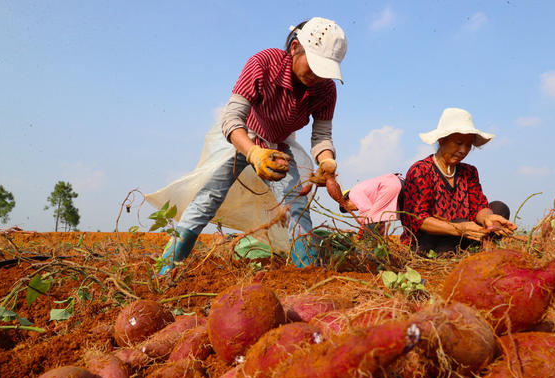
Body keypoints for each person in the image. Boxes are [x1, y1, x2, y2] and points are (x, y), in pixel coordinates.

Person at [157, 17, 348, 274]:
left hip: (279, 145)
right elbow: (232, 118)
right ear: (294, 48)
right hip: (242, 137)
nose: (318, 75)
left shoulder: (325, 90)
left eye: (325, 69)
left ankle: (307, 274)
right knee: (208, 199)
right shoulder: (263, 63)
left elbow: (322, 135)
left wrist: (326, 161)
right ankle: (166, 270)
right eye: (314, 64)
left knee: (296, 206)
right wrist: (254, 152)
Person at [400, 107, 516, 254]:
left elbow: (479, 206)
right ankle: (458, 251)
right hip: (427, 242)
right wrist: (458, 228)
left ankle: (481, 247)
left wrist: (488, 218)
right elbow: (418, 218)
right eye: (459, 143)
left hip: (463, 234)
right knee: (458, 224)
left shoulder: (469, 172)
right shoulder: (421, 170)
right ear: (442, 140)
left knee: (499, 208)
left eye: (468, 145)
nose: (463, 150)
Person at [338, 173, 404, 236]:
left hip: (389, 186)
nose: (354, 210)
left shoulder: (353, 194)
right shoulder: (362, 191)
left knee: (370, 219)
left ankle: (370, 246)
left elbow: (366, 213)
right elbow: (379, 219)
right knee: (406, 217)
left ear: (347, 201)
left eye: (350, 209)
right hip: (401, 182)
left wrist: (361, 232)